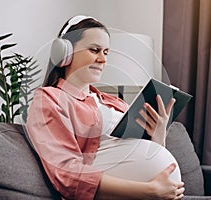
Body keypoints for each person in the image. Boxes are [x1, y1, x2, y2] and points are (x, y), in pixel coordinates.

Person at [25, 15, 185, 200]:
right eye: (94, 50)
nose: (103, 59)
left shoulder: (115, 102)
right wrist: (149, 191)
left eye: (106, 52)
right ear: (65, 54)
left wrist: (158, 136)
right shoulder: (49, 99)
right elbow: (65, 171)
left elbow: (141, 156)